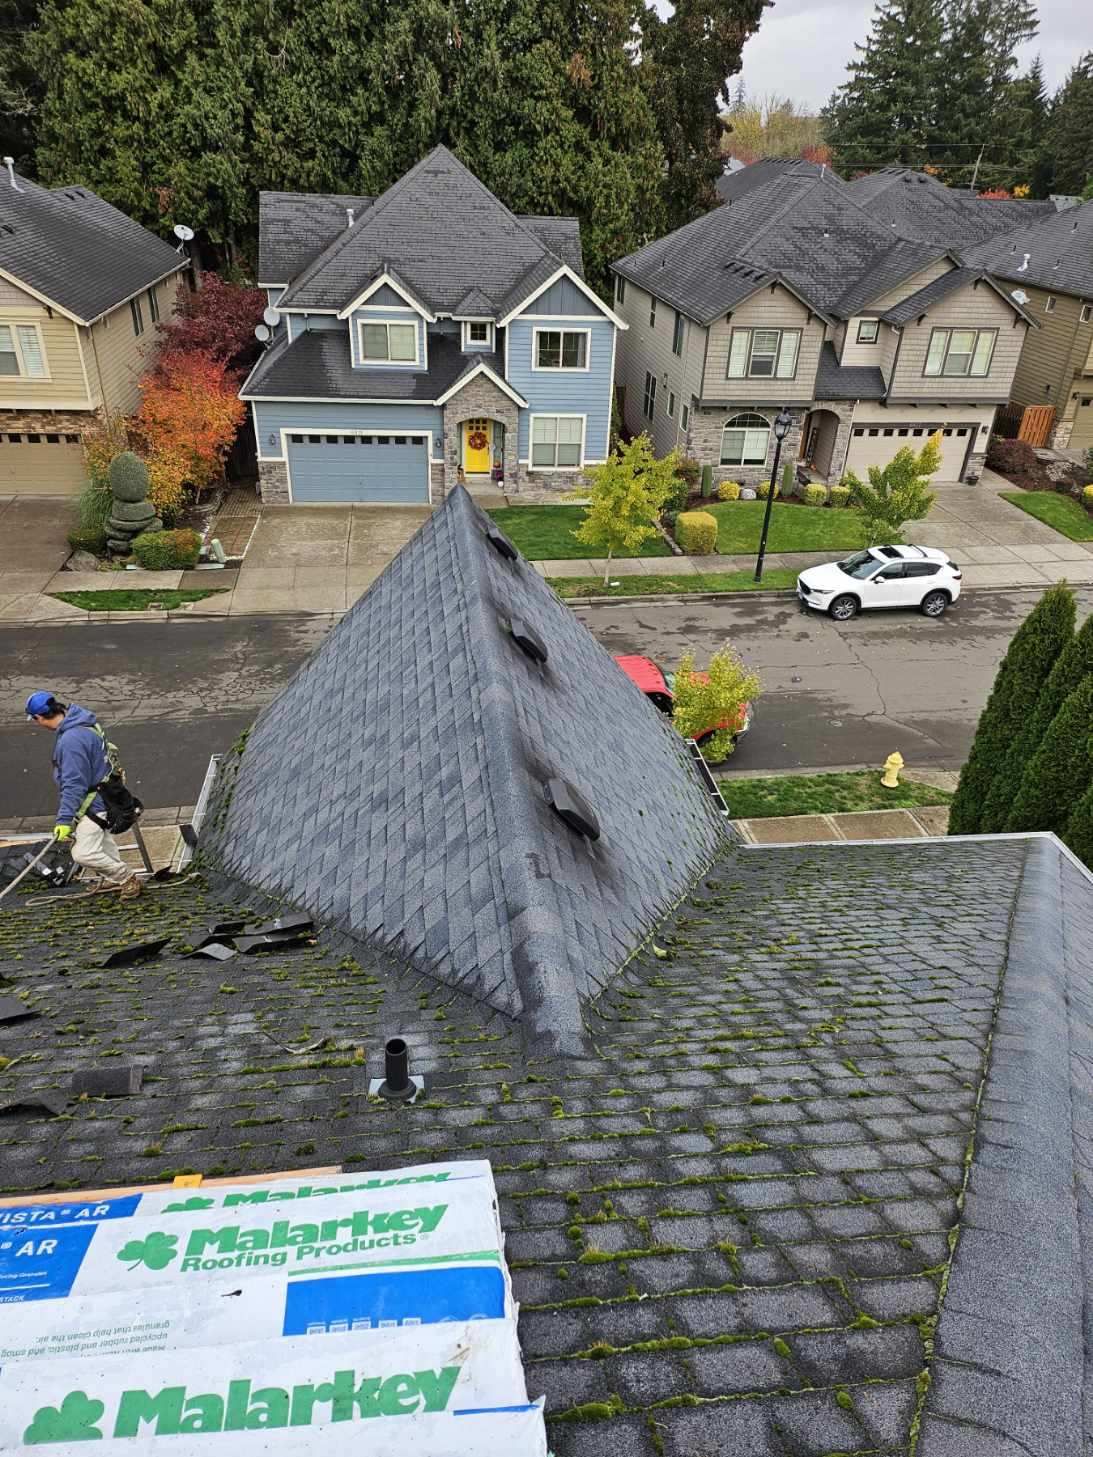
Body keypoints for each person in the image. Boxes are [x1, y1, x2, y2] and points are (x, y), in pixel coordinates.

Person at [25, 692, 142, 899]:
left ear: (39, 717)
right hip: (108, 793)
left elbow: (74, 784)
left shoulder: (71, 740)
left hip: (97, 801)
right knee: (103, 843)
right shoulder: (82, 721)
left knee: (83, 853)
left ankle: (127, 877)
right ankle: (114, 878)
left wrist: (64, 820)